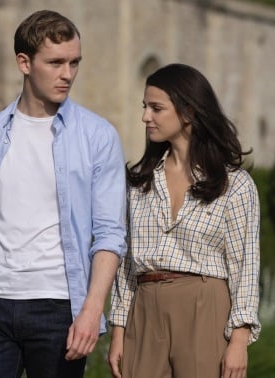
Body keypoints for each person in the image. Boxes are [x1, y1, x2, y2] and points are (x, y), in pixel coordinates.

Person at [0, 10, 127, 378]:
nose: (68, 74)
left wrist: (91, 310)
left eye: (74, 62)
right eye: (55, 63)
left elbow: (109, 233)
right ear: (23, 63)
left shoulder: (98, 137)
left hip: (58, 307)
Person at [107, 63, 261, 378]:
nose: (145, 117)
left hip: (204, 308)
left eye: (156, 108)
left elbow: (246, 264)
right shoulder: (139, 183)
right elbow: (126, 262)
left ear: (188, 112)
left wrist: (240, 339)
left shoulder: (234, 184)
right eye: (145, 107)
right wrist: (119, 329)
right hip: (145, 309)